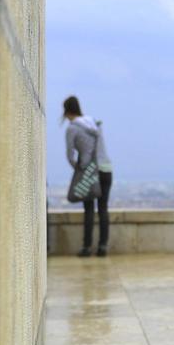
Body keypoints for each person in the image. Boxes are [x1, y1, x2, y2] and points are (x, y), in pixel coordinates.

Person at [62, 96, 113, 258]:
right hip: (106, 169)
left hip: (88, 172)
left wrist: (77, 168)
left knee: (89, 209)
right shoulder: (94, 122)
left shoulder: (72, 128)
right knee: (103, 208)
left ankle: (86, 247)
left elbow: (70, 154)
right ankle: (103, 246)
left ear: (67, 111)